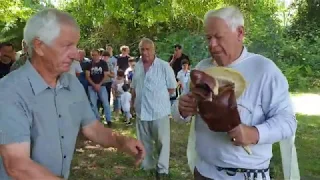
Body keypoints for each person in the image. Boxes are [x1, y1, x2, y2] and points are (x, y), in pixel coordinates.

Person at [0, 8, 145, 180]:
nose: (76, 54)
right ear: (39, 46)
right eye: (67, 45)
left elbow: (92, 128)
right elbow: (17, 165)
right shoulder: (9, 91)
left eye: (75, 45)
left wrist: (121, 141)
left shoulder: (72, 84)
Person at [172, 6, 297, 180]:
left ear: (240, 32)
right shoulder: (202, 68)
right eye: (208, 38)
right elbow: (178, 114)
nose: (212, 45)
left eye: (218, 37)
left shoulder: (264, 69)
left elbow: (288, 122)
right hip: (203, 173)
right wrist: (181, 108)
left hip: (245, 175)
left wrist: (254, 133)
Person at [131, 38, 176, 179]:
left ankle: (162, 169)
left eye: (147, 49)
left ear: (154, 49)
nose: (145, 52)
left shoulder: (164, 66)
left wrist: (158, 98)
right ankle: (147, 165)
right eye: (142, 49)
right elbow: (134, 87)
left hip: (159, 111)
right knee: (144, 141)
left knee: (162, 142)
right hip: (141, 111)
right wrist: (133, 103)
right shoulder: (137, 66)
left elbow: (172, 87)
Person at [85, 49, 112, 126]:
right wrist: (94, 85)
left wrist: (99, 84)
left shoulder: (103, 63)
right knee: (93, 104)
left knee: (106, 103)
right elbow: (87, 76)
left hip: (102, 85)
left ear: (99, 55)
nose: (94, 56)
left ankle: (109, 120)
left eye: (95, 55)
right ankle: (97, 120)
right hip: (91, 86)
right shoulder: (89, 64)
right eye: (92, 55)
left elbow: (106, 75)